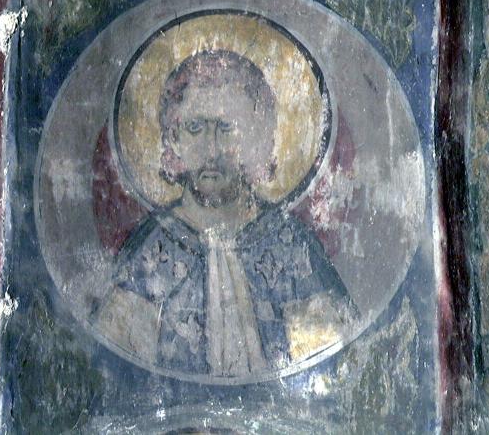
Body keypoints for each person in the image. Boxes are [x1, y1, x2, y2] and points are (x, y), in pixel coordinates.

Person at [93, 50, 357, 377]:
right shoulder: (152, 251)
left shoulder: (290, 246)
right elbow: (115, 369)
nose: (212, 149)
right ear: (173, 138)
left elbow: (330, 366)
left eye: (227, 127)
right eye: (194, 127)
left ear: (257, 137)